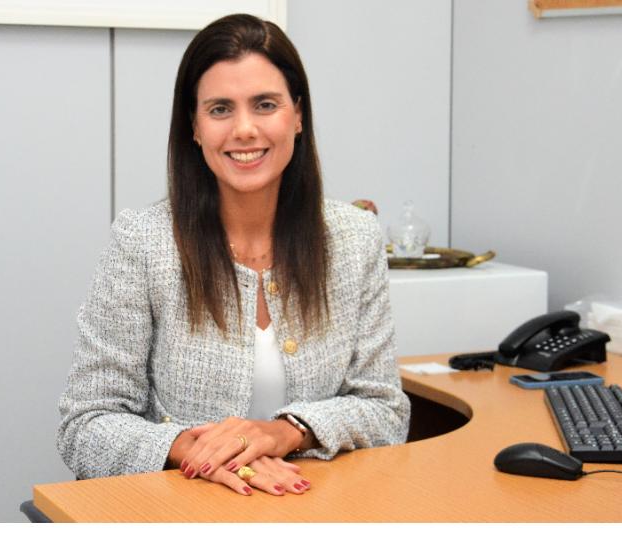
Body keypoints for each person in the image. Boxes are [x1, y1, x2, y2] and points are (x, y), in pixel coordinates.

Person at [57, 13, 410, 497]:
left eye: (265, 104)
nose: (244, 129)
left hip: (311, 508)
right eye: (220, 109)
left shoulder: (353, 238)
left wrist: (284, 432)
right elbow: (85, 424)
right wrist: (197, 450)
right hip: (180, 510)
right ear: (195, 126)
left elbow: (385, 411)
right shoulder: (143, 241)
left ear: (298, 115)